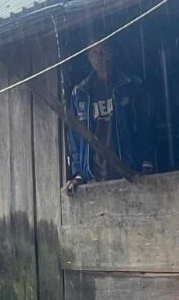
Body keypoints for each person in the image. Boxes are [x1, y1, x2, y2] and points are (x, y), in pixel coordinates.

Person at [64, 42, 155, 194]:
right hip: (94, 175)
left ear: (113, 53)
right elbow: (75, 139)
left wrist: (147, 165)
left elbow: (144, 126)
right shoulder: (79, 93)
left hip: (128, 172)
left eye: (105, 51)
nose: (101, 58)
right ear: (88, 57)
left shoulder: (130, 85)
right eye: (95, 53)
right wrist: (79, 174)